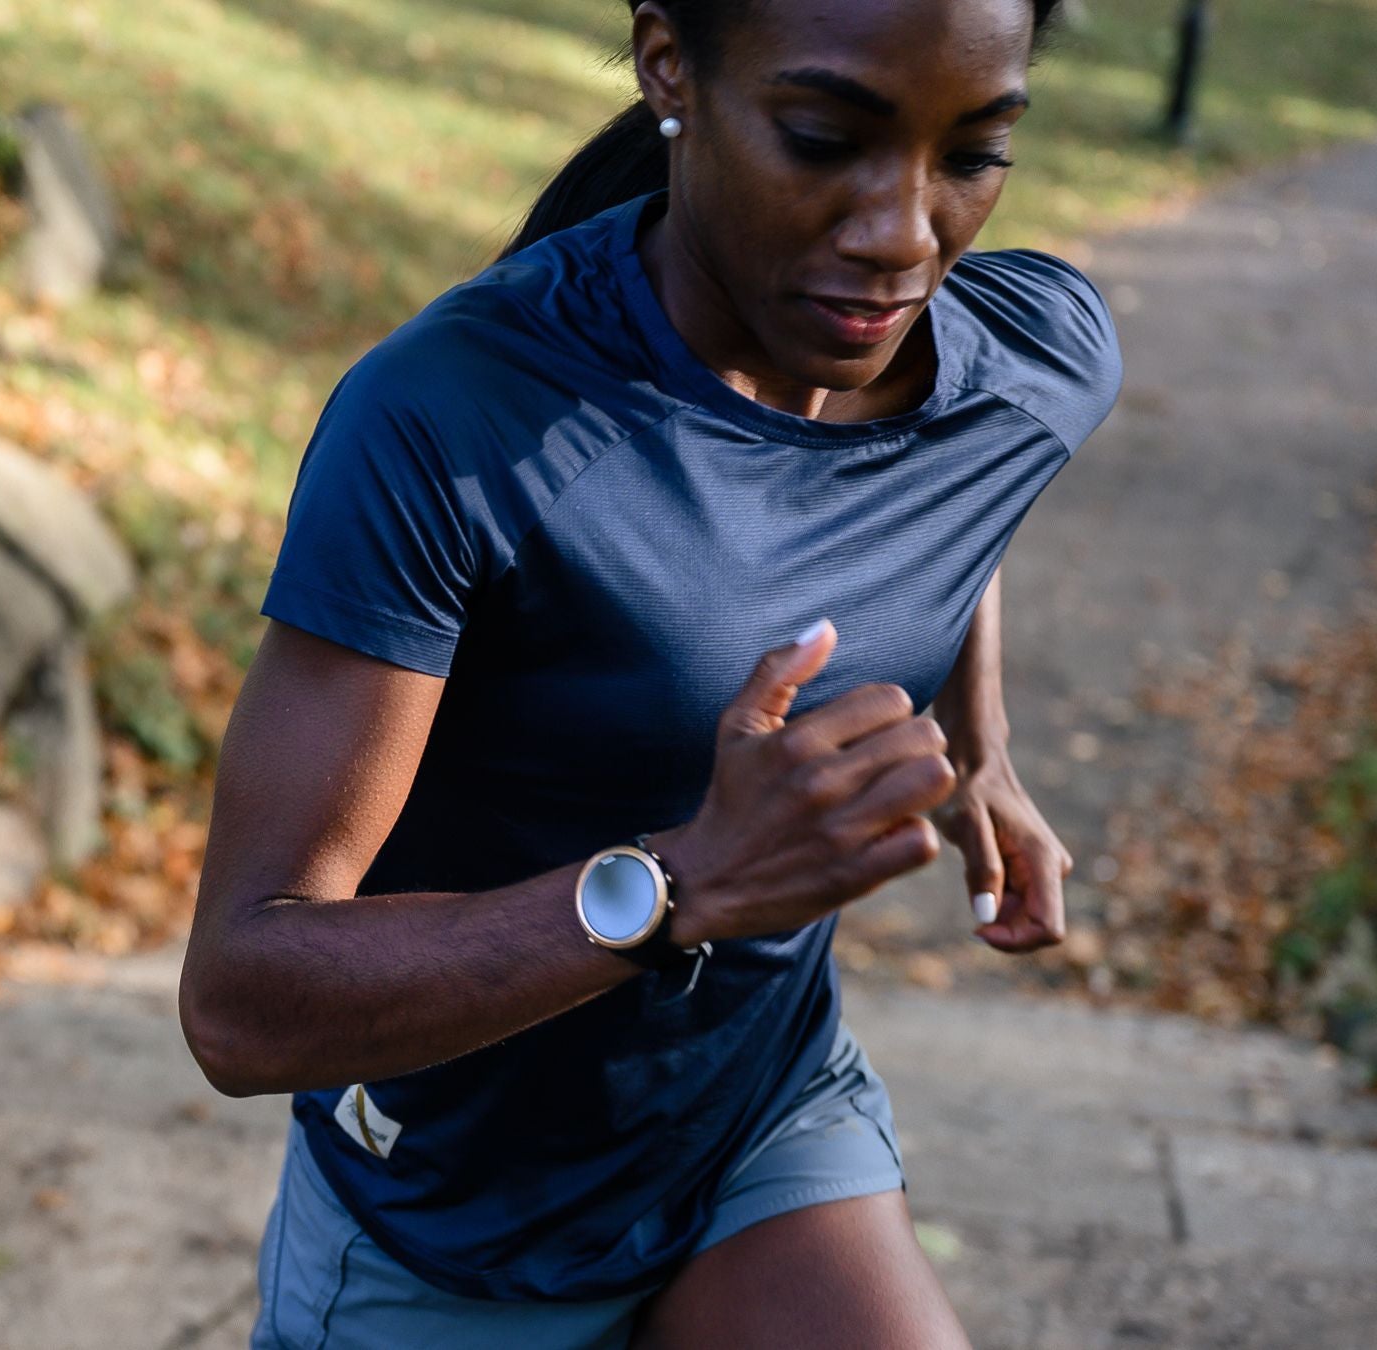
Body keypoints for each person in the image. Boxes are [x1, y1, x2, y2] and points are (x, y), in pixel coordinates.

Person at [181, 0, 1120, 1342]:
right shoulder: (458, 425)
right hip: (453, 1218)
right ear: (671, 61)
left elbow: (957, 495)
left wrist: (983, 749)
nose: (903, 234)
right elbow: (239, 999)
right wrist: (684, 886)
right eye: (821, 139)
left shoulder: (1034, 359)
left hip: (755, 1123)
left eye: (971, 155)